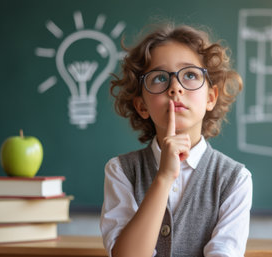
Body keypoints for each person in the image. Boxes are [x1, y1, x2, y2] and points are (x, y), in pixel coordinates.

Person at [100, 23, 253, 257]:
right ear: (141, 105)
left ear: (211, 97)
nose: (175, 87)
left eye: (190, 75)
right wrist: (163, 178)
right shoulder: (121, 171)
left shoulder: (235, 180)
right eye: (160, 78)